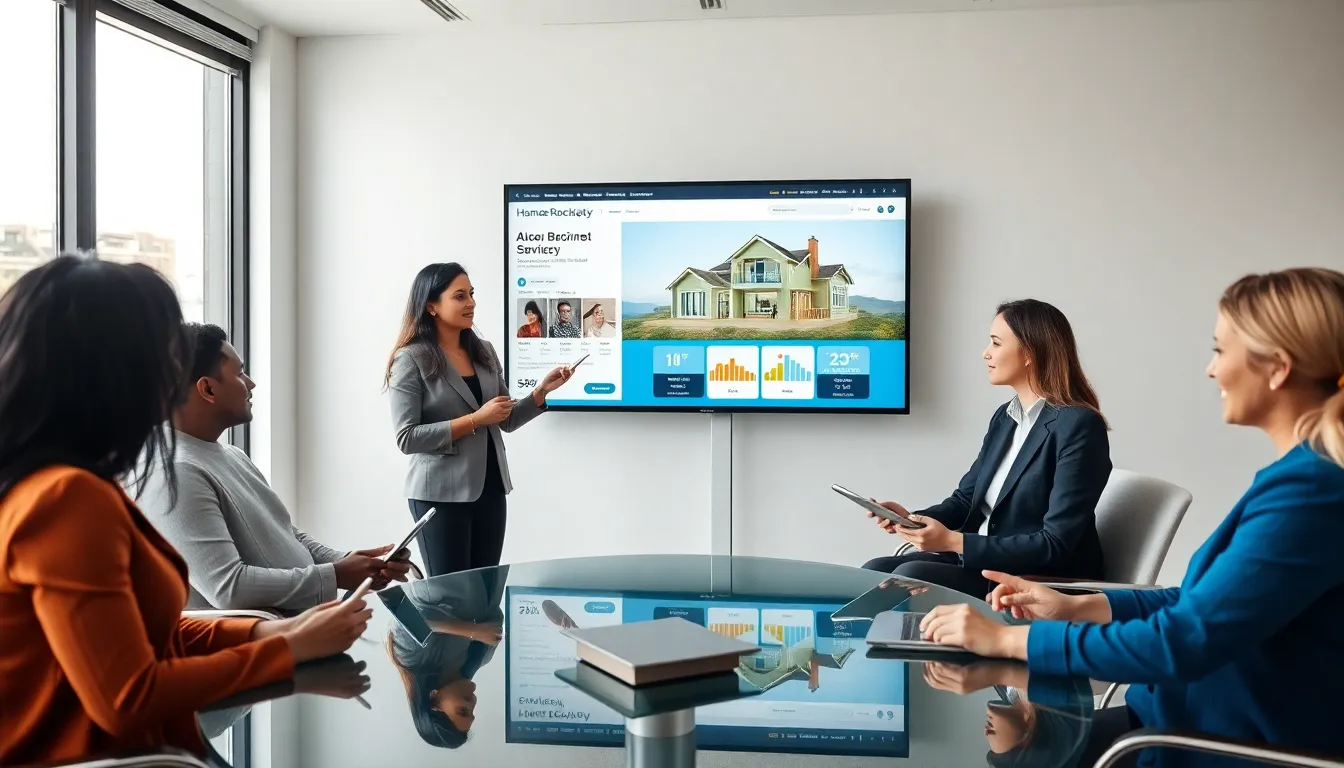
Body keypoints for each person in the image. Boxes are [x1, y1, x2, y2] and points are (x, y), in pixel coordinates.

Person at [918, 268, 1344, 766]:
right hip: (1171, 717)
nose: (1211, 370)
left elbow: (1182, 642)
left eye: (1220, 350)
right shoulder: (1301, 479)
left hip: (1212, 742)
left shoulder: (1311, 493)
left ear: (1277, 368)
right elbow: (1199, 603)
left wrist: (1009, 639)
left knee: (1005, 758)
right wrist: (1077, 607)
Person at [0, 256, 370, 765]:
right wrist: (284, 650)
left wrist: (272, 631)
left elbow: (147, 631)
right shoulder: (66, 500)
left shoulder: (67, 484)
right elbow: (127, 698)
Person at [137, 323, 409, 613]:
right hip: (250, 652)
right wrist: (337, 574)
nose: (251, 383)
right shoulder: (173, 474)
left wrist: (348, 562)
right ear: (207, 388)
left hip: (298, 633)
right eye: (240, 373)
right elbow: (229, 589)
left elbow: (286, 533)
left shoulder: (231, 455)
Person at [861, 299, 1111, 596]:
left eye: (995, 343)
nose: (986, 353)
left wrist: (953, 542)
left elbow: (1055, 544)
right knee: (873, 569)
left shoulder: (1078, 425)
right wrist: (912, 520)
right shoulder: (1006, 418)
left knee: (911, 574)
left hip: (1039, 577)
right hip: (987, 563)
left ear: (1029, 353)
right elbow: (966, 501)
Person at [386, 263, 573, 576]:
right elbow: (407, 438)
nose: (471, 302)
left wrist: (540, 391)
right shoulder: (410, 358)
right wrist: (474, 419)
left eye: (471, 294)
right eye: (459, 296)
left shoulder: (483, 351)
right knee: (450, 600)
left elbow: (506, 419)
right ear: (431, 305)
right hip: (439, 496)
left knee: (485, 594)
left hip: (490, 489)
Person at [385, 567, 506, 748]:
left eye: (463, 710)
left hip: (439, 569)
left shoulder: (411, 659)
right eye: (472, 711)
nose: (471, 703)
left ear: (435, 703)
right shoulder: (480, 658)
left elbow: (405, 617)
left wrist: (473, 631)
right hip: (488, 569)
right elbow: (495, 615)